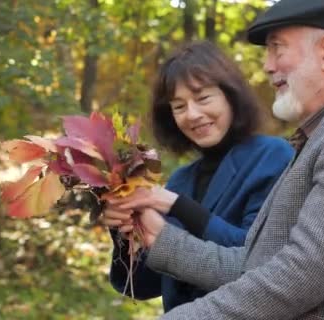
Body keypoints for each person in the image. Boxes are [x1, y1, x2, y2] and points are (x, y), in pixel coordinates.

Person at [111, 1, 324, 319]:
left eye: (277, 48)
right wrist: (156, 235)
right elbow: (251, 266)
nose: (266, 65)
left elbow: (298, 277)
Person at [102, 40, 294, 312]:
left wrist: (176, 205)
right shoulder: (182, 178)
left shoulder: (271, 156)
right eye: (179, 106)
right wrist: (125, 226)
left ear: (231, 96)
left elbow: (256, 259)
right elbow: (144, 285)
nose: (192, 115)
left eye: (203, 98)